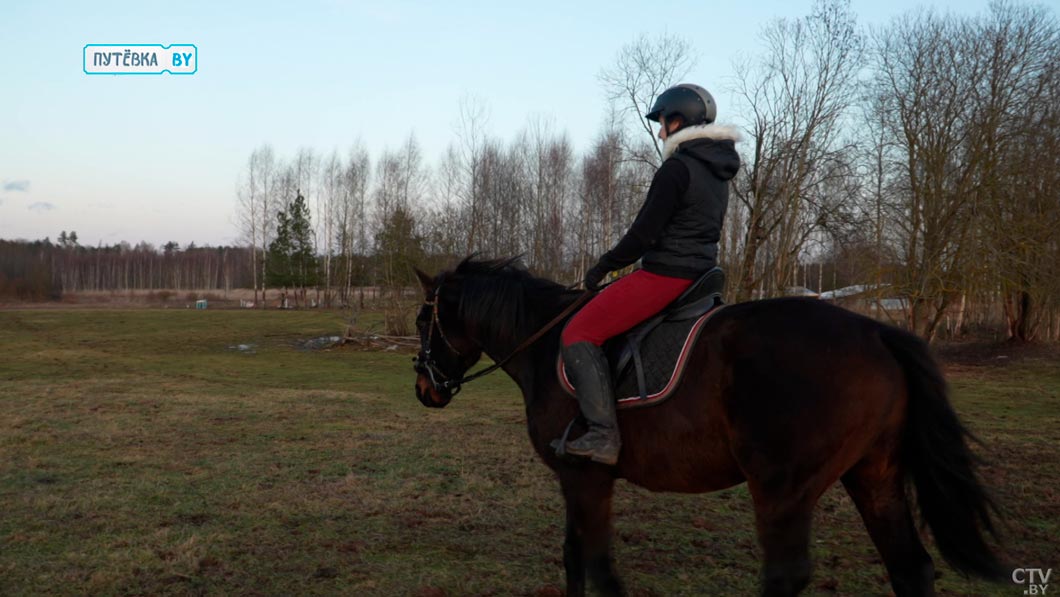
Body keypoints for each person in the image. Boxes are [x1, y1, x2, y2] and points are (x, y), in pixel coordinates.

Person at [558, 83, 741, 465]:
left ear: (678, 121)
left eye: (662, 123)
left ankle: (603, 436)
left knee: (578, 332)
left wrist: (603, 265)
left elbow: (644, 235)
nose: (660, 132)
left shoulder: (677, 168)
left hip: (666, 275)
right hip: (701, 275)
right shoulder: (717, 171)